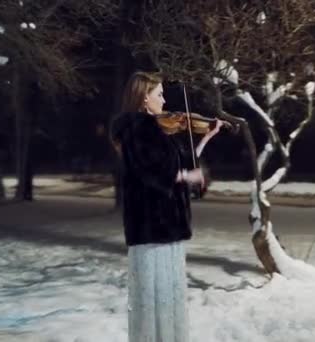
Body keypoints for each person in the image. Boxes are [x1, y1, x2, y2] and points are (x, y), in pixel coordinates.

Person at [110, 71, 222, 341]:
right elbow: (149, 172)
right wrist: (184, 177)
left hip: (168, 228)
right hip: (151, 227)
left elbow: (180, 163)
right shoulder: (137, 128)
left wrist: (206, 139)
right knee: (154, 297)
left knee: (169, 296)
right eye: (159, 94)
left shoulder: (159, 129)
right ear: (144, 98)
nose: (163, 99)